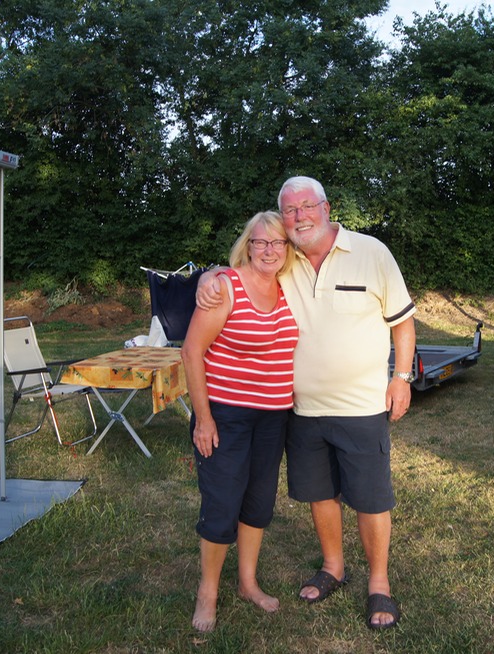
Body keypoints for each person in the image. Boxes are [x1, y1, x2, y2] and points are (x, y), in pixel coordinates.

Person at [197, 176, 416, 630]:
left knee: (372, 499)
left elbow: (403, 322)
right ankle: (333, 567)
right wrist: (210, 275)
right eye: (290, 210)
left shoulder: (371, 253)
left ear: (326, 207)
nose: (299, 216)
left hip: (361, 405)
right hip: (301, 410)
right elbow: (244, 271)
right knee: (320, 495)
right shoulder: (288, 261)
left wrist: (401, 377)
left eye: (306, 206)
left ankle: (380, 584)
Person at [181, 210, 299, 632]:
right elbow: (192, 352)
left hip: (273, 415)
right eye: (260, 242)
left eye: (278, 243)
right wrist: (204, 419)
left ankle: (248, 582)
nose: (269, 250)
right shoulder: (224, 288)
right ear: (247, 245)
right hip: (225, 415)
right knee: (222, 505)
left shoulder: (290, 287)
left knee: (258, 503)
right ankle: (207, 592)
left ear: (288, 249)